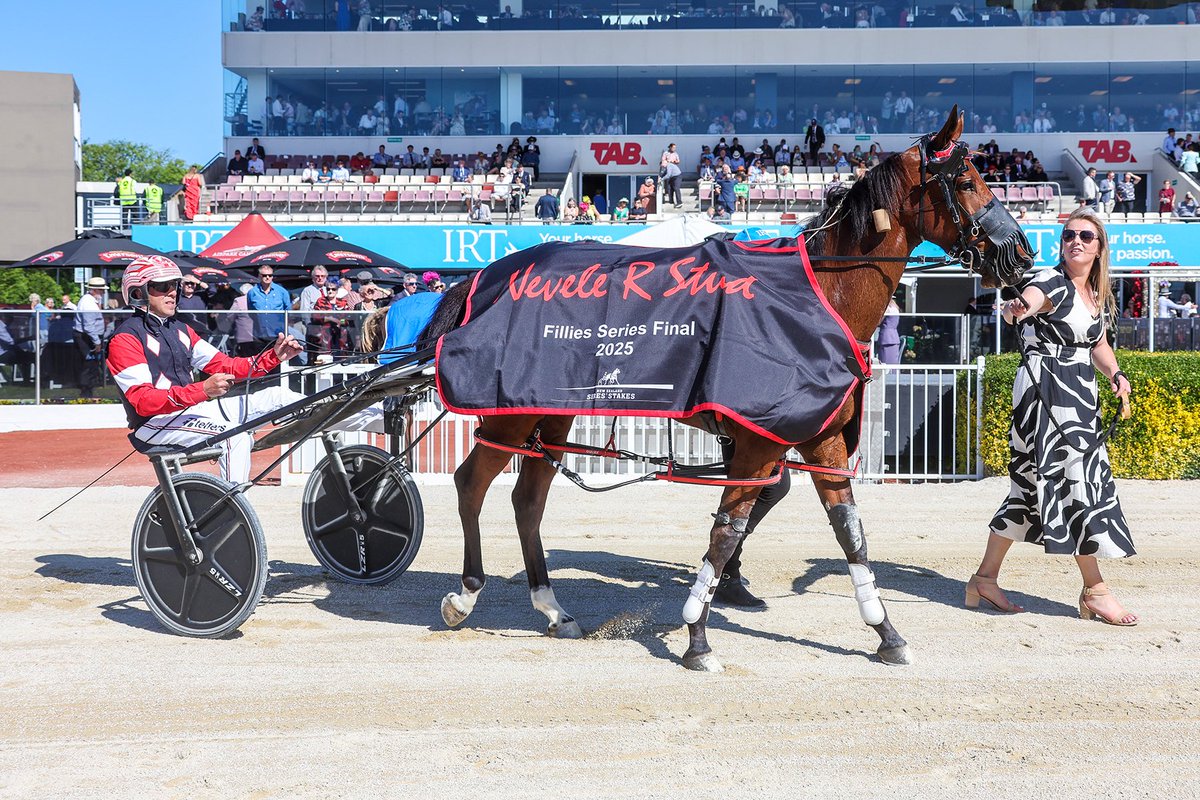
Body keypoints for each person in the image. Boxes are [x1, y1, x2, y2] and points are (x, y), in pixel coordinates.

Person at [970, 208, 1137, 626]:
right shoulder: (1050, 281)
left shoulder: (1092, 295)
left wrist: (1115, 373)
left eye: (1085, 236)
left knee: (1028, 489)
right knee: (1076, 483)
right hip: (1046, 391)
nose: (1075, 241)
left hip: (1077, 392)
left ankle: (984, 580)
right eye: (1068, 235)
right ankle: (1096, 590)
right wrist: (1016, 308)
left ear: (1099, 249)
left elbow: (1095, 341)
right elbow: (1027, 302)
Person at [106, 256, 378, 483]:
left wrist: (273, 356)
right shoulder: (126, 338)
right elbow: (143, 402)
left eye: (174, 284)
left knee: (278, 397)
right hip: (154, 425)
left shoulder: (180, 329)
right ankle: (230, 513)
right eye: (161, 286)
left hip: (191, 412)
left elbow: (228, 366)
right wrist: (203, 389)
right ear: (138, 292)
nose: (172, 291)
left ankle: (375, 416)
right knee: (234, 438)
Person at [246, 266, 292, 357]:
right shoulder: (252, 292)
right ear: (259, 276)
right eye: (264, 275)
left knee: (277, 361)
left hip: (278, 334)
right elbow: (250, 311)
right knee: (259, 362)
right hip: (259, 334)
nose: (267, 277)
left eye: (270, 275)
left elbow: (288, 310)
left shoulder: (282, 292)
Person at [73, 277, 107, 397]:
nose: (103, 292)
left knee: (91, 363)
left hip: (89, 336)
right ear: (94, 290)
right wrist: (97, 342)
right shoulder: (88, 304)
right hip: (87, 337)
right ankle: (86, 390)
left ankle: (88, 388)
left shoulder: (91, 301)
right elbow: (88, 326)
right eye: (101, 290)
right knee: (89, 363)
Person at [876, 297, 901, 364]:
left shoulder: (887, 309)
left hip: (886, 337)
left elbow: (878, 322)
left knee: (885, 361)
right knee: (893, 361)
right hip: (894, 336)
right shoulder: (895, 308)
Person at [660, 143, 683, 208]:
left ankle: (679, 202)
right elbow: (663, 160)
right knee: (670, 188)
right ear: (670, 147)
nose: (674, 149)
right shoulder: (666, 153)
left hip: (677, 175)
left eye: (674, 148)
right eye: (673, 147)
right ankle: (671, 201)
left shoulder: (669, 165)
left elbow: (668, 175)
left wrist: (661, 179)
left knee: (676, 188)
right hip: (672, 174)